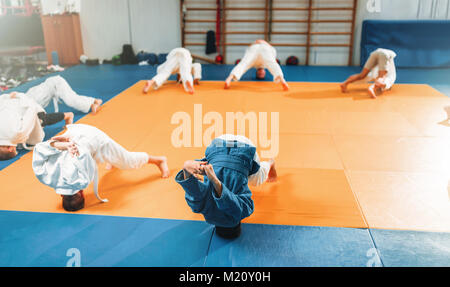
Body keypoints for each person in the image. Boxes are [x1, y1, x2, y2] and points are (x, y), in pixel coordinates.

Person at [32, 124, 170, 212]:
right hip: (76, 135)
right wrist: (58, 144)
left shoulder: (81, 179)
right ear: (61, 194)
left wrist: (66, 145)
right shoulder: (47, 177)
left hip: (93, 137)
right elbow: (39, 148)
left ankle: (159, 160)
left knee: (128, 161)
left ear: (81, 193)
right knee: (97, 160)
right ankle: (111, 159)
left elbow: (81, 154)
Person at [175, 134, 277, 239]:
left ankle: (270, 163)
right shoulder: (203, 208)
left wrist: (187, 169)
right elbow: (193, 193)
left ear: (239, 223)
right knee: (253, 178)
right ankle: (271, 162)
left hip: (240, 149)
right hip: (219, 145)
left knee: (256, 179)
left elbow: (234, 208)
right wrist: (187, 171)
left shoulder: (241, 212)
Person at [0, 92, 74, 161]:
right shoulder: (16, 134)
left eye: (14, 148)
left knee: (42, 120)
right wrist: (7, 96)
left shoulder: (18, 133)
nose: (15, 148)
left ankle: (68, 115)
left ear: (9, 148)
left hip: (22, 104)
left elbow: (31, 111)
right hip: (9, 101)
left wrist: (19, 95)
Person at [224, 40, 289, 91]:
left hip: (254, 48)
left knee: (244, 63)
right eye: (262, 74)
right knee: (273, 64)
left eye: (259, 74)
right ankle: (282, 80)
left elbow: (258, 41)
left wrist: (257, 43)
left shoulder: (253, 64)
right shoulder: (267, 64)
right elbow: (260, 40)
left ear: (257, 72)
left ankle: (229, 79)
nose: (261, 73)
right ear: (265, 72)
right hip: (264, 48)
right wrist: (263, 43)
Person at [19, 75, 102, 114]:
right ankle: (94, 100)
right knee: (73, 96)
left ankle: (92, 105)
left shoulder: (31, 100)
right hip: (53, 83)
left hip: (56, 83)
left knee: (70, 100)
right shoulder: (28, 99)